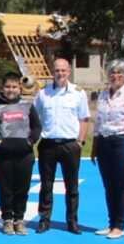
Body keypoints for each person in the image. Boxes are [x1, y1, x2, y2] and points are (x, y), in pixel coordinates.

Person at [34, 57, 90, 234]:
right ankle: (44, 219)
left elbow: (84, 119)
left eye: (63, 70)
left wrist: (80, 142)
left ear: (69, 72)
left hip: (70, 145)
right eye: (57, 70)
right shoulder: (43, 93)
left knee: (71, 186)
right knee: (46, 184)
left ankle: (72, 221)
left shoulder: (78, 93)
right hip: (48, 144)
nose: (60, 74)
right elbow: (34, 117)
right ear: (52, 72)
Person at [91, 59, 124, 240]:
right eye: (112, 73)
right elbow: (98, 122)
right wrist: (94, 147)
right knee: (108, 186)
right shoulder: (103, 95)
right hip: (104, 142)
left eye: (120, 73)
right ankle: (111, 222)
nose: (116, 76)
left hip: (121, 142)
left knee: (121, 185)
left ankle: (120, 225)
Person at [0, 72, 42, 236]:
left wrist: (30, 141)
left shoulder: (27, 105)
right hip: (2, 156)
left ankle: (19, 219)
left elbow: (37, 127)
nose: (10, 90)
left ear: (19, 88)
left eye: (14, 87)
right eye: (7, 87)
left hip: (24, 155)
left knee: (22, 189)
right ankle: (7, 219)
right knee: (5, 189)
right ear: (2, 88)